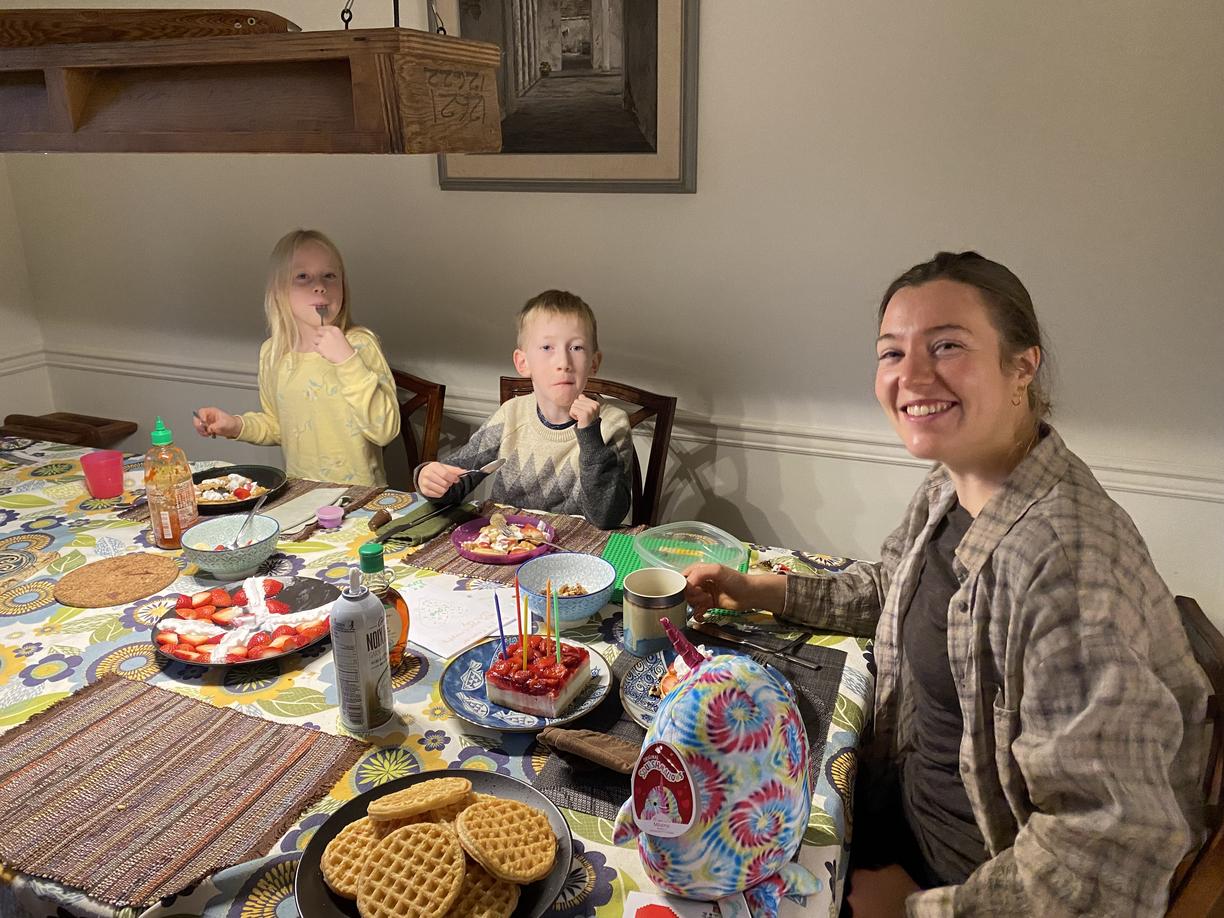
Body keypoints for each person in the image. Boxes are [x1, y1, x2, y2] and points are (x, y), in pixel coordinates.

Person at [683, 252, 1209, 916]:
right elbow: (894, 592)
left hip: (956, 878)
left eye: (947, 346)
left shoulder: (1067, 564)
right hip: (887, 800)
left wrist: (916, 906)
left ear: (1022, 366)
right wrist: (756, 589)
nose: (912, 376)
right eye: (891, 353)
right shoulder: (957, 480)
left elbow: (1105, 854)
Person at [193, 229, 400, 486]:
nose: (320, 287)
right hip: (301, 497)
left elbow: (385, 431)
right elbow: (278, 426)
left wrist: (347, 360)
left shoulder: (360, 344)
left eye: (330, 276)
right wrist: (235, 425)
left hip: (359, 501)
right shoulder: (273, 353)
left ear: (343, 286)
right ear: (279, 290)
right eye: (302, 277)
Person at [415, 290, 632, 529]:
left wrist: (590, 436)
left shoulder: (612, 423)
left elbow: (606, 516)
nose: (563, 363)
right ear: (522, 363)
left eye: (577, 348)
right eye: (547, 347)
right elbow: (457, 479)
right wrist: (429, 478)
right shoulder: (512, 414)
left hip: (577, 556)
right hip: (505, 547)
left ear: (594, 362)